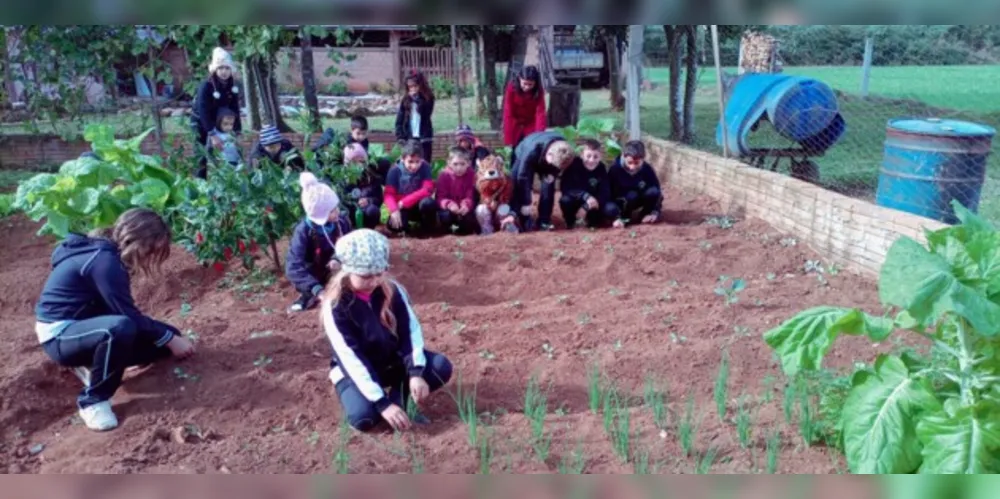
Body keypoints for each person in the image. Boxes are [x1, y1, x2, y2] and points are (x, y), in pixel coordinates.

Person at [33, 208, 196, 431]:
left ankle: (92, 364)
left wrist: (169, 337)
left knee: (164, 342)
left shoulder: (105, 255)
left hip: (85, 328)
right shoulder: (104, 261)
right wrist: (168, 337)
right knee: (120, 329)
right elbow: (127, 316)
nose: (150, 256)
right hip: (60, 336)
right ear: (136, 239)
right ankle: (93, 401)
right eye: (151, 248)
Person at [320, 229, 453, 432]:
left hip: (390, 361)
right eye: (365, 276)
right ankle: (381, 402)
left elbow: (411, 330)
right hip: (354, 370)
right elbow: (350, 357)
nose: (373, 281)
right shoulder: (336, 306)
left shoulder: (391, 290)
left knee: (440, 367)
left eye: (379, 274)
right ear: (347, 271)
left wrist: (415, 372)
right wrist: (381, 402)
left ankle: (400, 402)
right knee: (362, 418)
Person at [286, 172, 353, 313]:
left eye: (336, 207)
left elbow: (350, 244)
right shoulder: (303, 231)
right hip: (314, 272)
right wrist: (317, 289)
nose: (337, 212)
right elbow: (293, 267)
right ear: (319, 215)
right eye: (332, 211)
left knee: (351, 283)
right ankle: (309, 295)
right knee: (310, 285)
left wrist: (337, 258)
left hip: (336, 268)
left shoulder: (342, 221)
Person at [509, 130, 577, 232]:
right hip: (524, 152)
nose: (555, 168)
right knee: (516, 183)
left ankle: (544, 220)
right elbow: (522, 178)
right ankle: (517, 215)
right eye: (554, 165)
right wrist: (526, 203)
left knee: (548, 185)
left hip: (547, 156)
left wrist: (552, 173)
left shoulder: (565, 150)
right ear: (549, 155)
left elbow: (558, 167)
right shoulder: (530, 152)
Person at [191, 47, 242, 179]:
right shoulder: (206, 86)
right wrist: (212, 134)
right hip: (200, 121)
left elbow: (234, 108)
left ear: (231, 70)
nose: (224, 72)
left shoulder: (232, 86)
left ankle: (228, 182)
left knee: (228, 151)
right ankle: (200, 184)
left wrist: (238, 130)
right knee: (201, 154)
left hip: (219, 120)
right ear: (215, 69)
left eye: (227, 68)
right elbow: (203, 111)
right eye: (220, 68)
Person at [559, 138, 617, 229]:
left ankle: (594, 221)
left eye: (595, 157)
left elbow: (605, 192)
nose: (591, 160)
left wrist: (587, 206)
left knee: (611, 209)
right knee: (565, 200)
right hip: (577, 201)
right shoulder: (573, 165)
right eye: (588, 156)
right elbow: (565, 188)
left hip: (593, 204)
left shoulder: (601, 168)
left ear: (600, 156)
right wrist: (585, 196)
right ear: (582, 154)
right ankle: (570, 221)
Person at [384, 140, 437, 236]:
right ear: (403, 159)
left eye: (418, 161)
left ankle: (426, 229)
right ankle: (406, 228)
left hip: (418, 206)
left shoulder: (425, 167)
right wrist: (394, 210)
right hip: (403, 208)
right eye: (410, 162)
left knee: (428, 203)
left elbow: (427, 190)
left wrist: (404, 202)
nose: (414, 165)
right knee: (394, 226)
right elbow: (388, 194)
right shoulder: (394, 171)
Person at [608, 140, 664, 228]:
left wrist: (655, 212)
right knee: (631, 195)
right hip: (621, 201)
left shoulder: (647, 169)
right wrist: (615, 215)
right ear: (623, 156)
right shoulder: (615, 170)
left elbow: (658, 191)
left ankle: (646, 215)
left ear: (643, 159)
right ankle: (624, 218)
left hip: (638, 197)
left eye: (637, 163)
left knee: (653, 191)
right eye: (629, 162)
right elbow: (609, 193)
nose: (632, 167)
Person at [502, 65, 547, 152]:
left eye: (530, 84)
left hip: (531, 124)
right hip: (515, 124)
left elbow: (540, 113)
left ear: (535, 83)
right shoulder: (511, 88)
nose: (527, 87)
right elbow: (508, 112)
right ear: (519, 79)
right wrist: (508, 137)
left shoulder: (538, 91)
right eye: (524, 83)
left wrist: (539, 135)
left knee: (531, 150)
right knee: (514, 152)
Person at [435, 147, 479, 235]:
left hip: (464, 209)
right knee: (446, 217)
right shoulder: (443, 175)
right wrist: (449, 204)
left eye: (462, 164)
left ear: (469, 163)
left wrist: (466, 204)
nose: (459, 168)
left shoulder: (471, 174)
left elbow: (470, 194)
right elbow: (440, 197)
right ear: (449, 163)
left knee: (468, 222)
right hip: (449, 209)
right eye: (455, 164)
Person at [394, 71, 435, 162]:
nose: (413, 89)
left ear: (421, 85)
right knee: (409, 160)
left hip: (424, 136)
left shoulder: (428, 98)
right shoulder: (405, 100)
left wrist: (417, 99)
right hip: (409, 136)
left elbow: (426, 113)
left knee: (424, 161)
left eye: (415, 86)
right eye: (410, 87)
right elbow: (400, 119)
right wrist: (400, 135)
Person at [342, 143, 384, 231]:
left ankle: (368, 230)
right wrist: (354, 202)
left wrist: (368, 200)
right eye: (354, 162)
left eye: (361, 161)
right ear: (347, 162)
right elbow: (340, 200)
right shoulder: (342, 178)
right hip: (350, 211)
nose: (358, 165)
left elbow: (379, 198)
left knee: (373, 211)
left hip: (365, 210)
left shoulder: (372, 177)